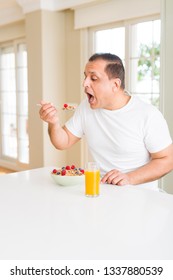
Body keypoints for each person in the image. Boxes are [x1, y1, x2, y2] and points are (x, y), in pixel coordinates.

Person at [39, 53, 173, 190]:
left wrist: (129, 178)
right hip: (102, 192)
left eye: (94, 78)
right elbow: (63, 142)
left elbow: (167, 160)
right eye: (85, 77)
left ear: (115, 84)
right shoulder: (86, 108)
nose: (84, 83)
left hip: (140, 196)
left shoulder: (148, 115)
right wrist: (53, 123)